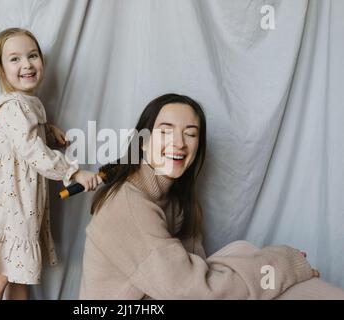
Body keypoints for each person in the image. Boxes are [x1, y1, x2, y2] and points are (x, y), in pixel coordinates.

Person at [80, 93, 344, 299]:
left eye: (190, 134)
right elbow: (192, 292)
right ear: (143, 141)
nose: (179, 142)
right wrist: (281, 267)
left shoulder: (177, 201)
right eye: (166, 130)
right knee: (266, 274)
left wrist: (279, 271)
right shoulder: (127, 205)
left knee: (243, 252)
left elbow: (197, 276)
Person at [0, 28, 102, 300]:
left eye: (32, 56)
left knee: (22, 277)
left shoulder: (29, 104)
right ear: (1, 70)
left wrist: (48, 130)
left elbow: (24, 137)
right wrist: (73, 172)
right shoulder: (12, 106)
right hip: (3, 208)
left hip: (22, 207)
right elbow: (32, 151)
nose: (26, 64)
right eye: (14, 59)